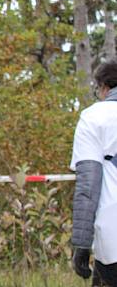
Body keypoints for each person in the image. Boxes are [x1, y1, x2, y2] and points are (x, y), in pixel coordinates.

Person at [70, 59, 117, 286]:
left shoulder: (94, 116)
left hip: (113, 234)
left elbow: (88, 186)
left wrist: (81, 244)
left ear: (104, 88)